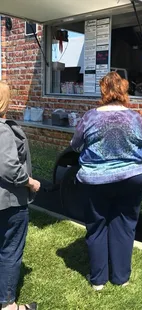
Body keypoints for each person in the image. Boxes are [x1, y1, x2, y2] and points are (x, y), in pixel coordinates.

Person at [71, 72, 142, 290]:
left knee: (96, 226)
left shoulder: (90, 117)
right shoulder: (136, 117)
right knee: (124, 225)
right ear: (124, 90)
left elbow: (76, 145)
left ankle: (98, 280)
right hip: (132, 177)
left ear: (103, 90)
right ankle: (121, 278)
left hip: (96, 179)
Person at [0, 81, 40, 310]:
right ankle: (9, 306)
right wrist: (30, 182)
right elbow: (8, 167)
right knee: (10, 251)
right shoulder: (2, 129)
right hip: (9, 202)